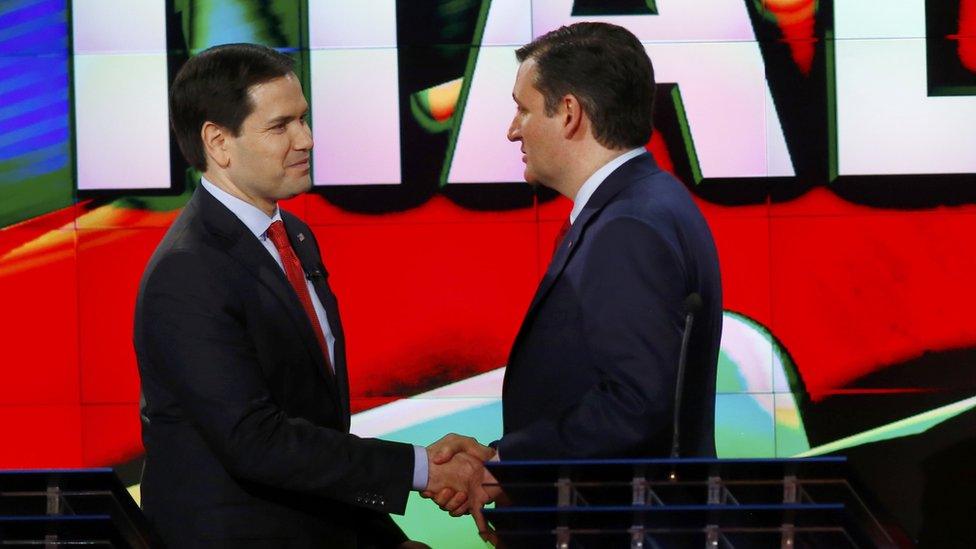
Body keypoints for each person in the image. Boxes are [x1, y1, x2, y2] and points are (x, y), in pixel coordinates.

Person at [134, 43, 489, 548]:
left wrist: (383, 537)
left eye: (303, 119)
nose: (307, 139)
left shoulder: (293, 235)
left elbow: (315, 427)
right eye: (281, 126)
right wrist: (420, 469)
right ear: (218, 141)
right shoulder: (189, 270)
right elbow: (255, 441)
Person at [431, 22, 724, 542]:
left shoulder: (629, 225)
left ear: (569, 114)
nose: (512, 130)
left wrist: (506, 463)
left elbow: (636, 402)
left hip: (612, 530)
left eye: (523, 108)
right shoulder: (647, 203)